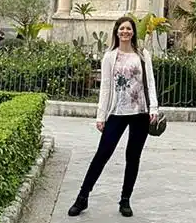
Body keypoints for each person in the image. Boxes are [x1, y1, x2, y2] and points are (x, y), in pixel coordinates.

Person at [67, 16, 159, 218]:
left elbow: (150, 82)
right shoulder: (110, 56)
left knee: (133, 157)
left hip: (140, 112)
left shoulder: (143, 54)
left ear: (133, 32)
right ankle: (82, 197)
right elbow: (106, 88)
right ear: (117, 32)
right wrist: (101, 116)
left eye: (129, 29)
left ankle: (125, 200)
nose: (125, 32)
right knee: (102, 154)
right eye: (122, 29)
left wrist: (154, 108)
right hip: (117, 111)